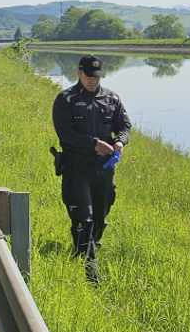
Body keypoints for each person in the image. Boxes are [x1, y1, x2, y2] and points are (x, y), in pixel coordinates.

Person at [51, 55, 131, 283]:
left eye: (97, 76)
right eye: (89, 76)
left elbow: (125, 126)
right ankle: (90, 268)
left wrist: (120, 142)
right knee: (83, 217)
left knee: (99, 218)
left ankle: (85, 248)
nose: (94, 80)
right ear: (79, 73)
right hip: (76, 167)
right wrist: (93, 143)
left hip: (103, 169)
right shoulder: (66, 99)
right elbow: (65, 134)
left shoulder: (111, 98)